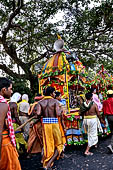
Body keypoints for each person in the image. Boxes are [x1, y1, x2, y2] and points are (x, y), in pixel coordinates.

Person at [35, 87, 63, 169]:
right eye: (54, 93)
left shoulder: (40, 102)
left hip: (45, 125)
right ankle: (48, 164)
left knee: (48, 144)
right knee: (59, 144)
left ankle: (46, 162)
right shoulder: (56, 102)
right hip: (54, 124)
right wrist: (61, 110)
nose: (55, 94)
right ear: (51, 93)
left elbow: (38, 114)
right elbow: (58, 113)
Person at [0, 77, 21, 170]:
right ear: (4, 90)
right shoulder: (2, 104)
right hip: (4, 144)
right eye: (11, 89)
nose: (11, 92)